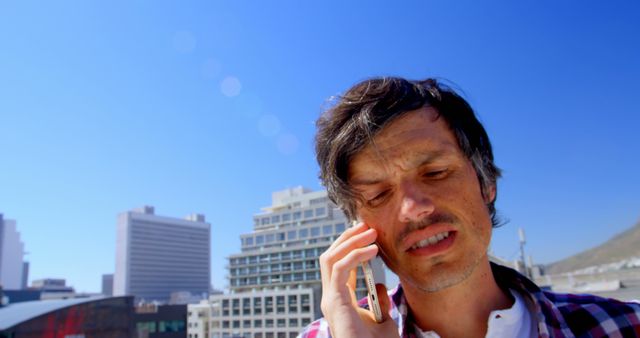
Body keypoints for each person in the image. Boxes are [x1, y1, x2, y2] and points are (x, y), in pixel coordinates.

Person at [300, 77, 640, 338]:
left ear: (487, 182)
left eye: (435, 173)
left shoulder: (623, 326)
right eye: (377, 196)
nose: (413, 208)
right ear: (358, 226)